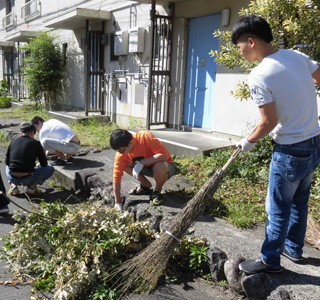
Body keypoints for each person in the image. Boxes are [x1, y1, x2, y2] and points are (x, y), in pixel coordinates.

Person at [231, 15, 320, 275]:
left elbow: (269, 122)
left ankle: (270, 261)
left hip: (290, 149)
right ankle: (294, 249)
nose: (240, 52)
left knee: (278, 207)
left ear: (251, 41)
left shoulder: (259, 75)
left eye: (239, 47)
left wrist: (248, 141)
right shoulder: (297, 56)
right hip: (314, 142)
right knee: (300, 202)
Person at [110, 129, 175, 211]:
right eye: (118, 151)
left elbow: (164, 156)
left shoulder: (144, 137)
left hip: (165, 167)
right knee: (123, 165)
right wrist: (118, 202)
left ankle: (157, 191)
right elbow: (116, 177)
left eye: (121, 150)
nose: (120, 153)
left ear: (130, 143)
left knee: (159, 165)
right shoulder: (120, 154)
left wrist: (143, 162)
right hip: (147, 168)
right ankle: (145, 185)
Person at [6, 122, 55, 196]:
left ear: (22, 133)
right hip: (28, 179)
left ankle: (13, 185)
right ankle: (32, 187)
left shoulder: (13, 142)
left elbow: (7, 162)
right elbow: (44, 164)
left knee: (7, 166)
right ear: (32, 133)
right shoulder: (36, 143)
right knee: (50, 168)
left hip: (12, 177)